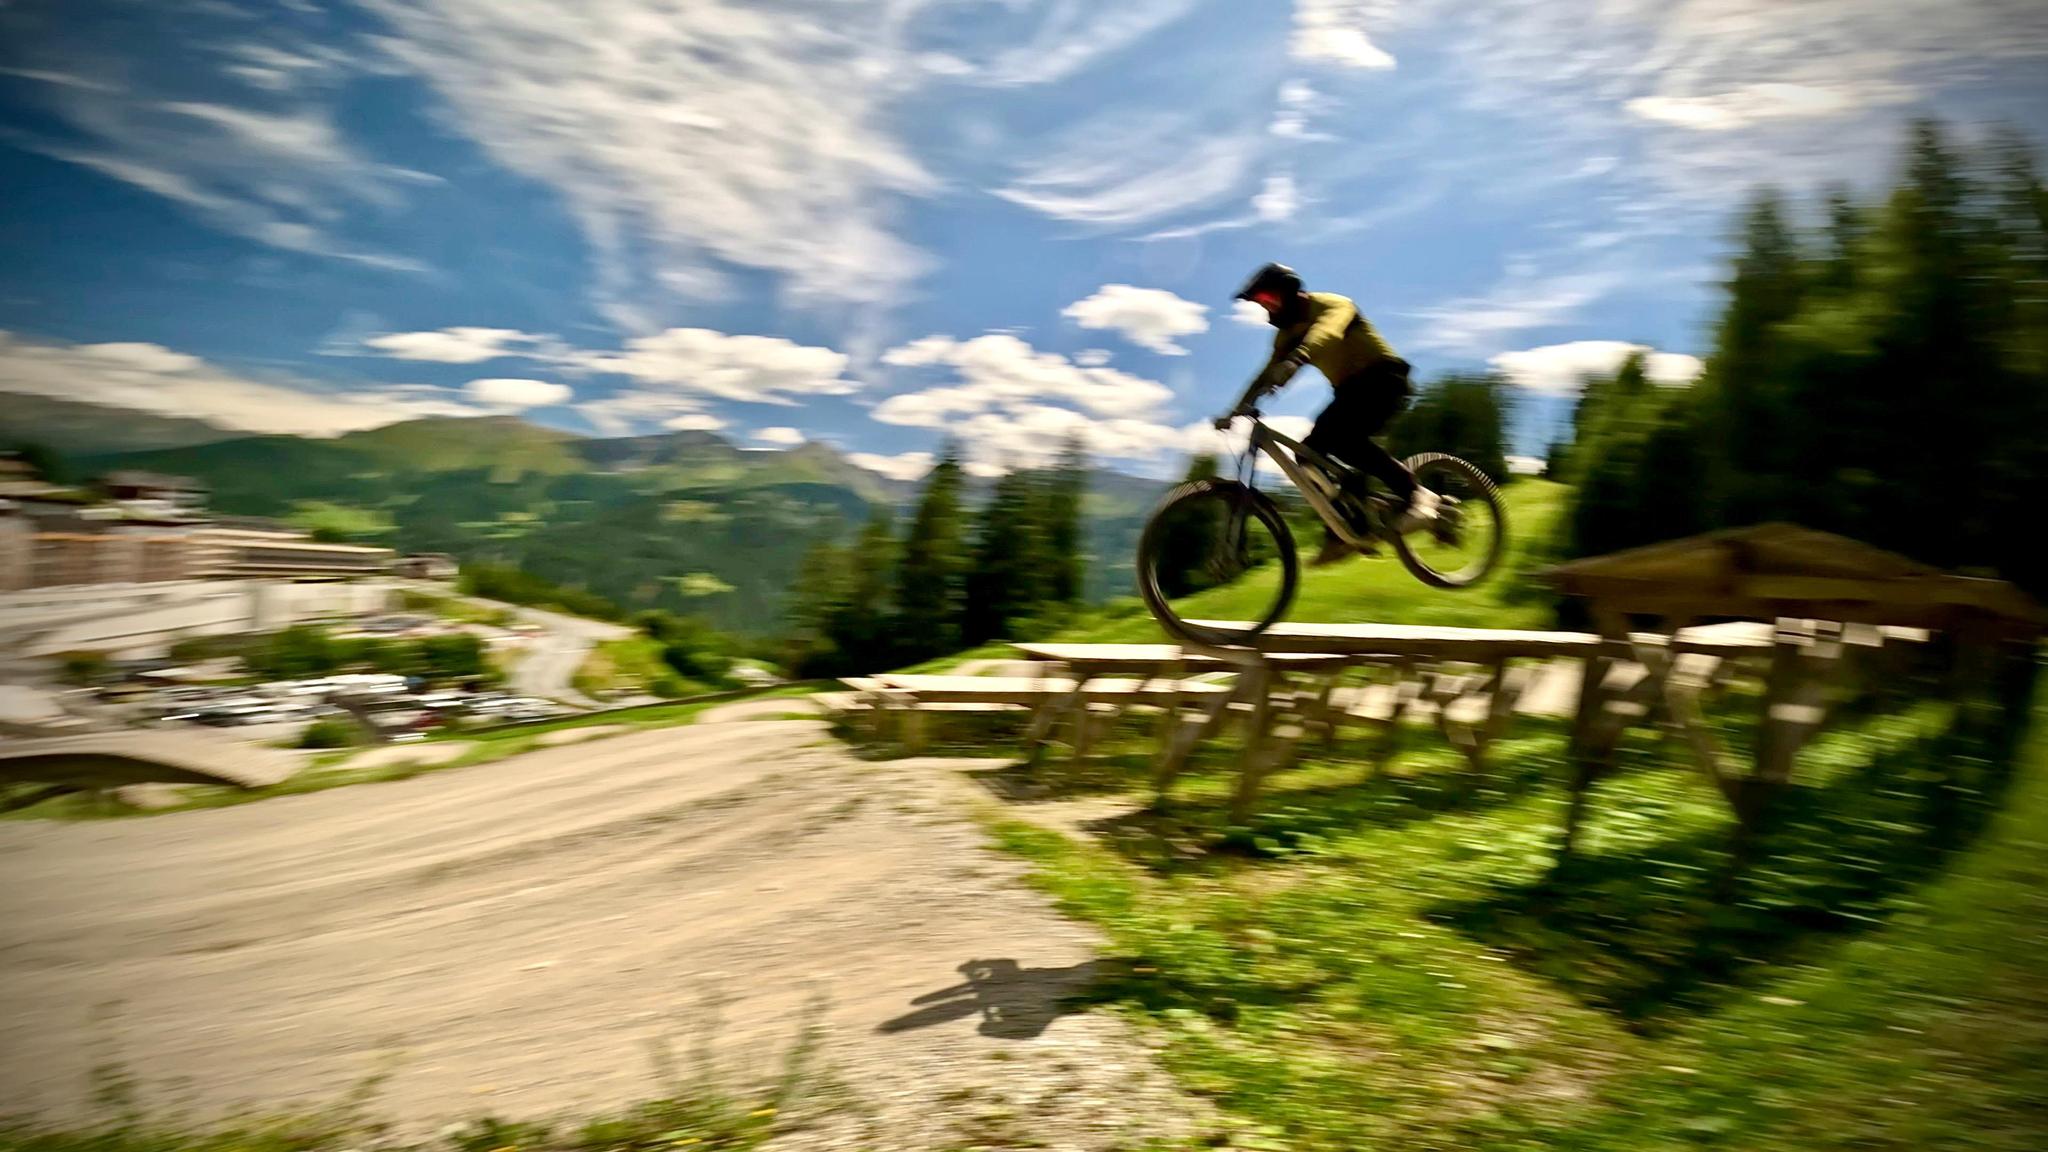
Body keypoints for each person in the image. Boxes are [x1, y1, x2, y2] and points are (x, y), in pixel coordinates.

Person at [1231, 262, 1437, 566]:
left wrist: (1296, 359)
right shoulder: (1285, 335)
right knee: (1308, 455)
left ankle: (1419, 496)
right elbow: (1264, 374)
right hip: (1350, 392)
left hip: (1385, 379)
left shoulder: (1333, 305)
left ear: (1288, 292)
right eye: (1262, 304)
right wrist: (1235, 409)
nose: (1267, 308)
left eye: (1268, 300)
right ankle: (1345, 529)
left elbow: (1326, 333)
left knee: (1344, 440)